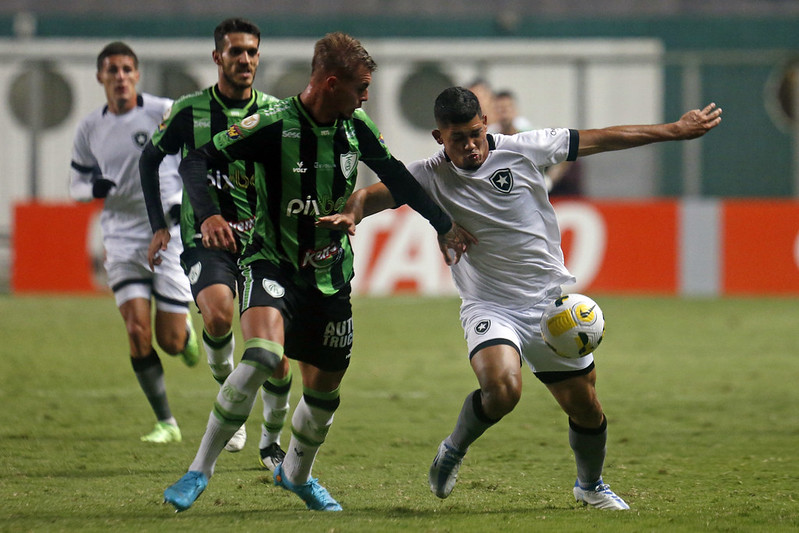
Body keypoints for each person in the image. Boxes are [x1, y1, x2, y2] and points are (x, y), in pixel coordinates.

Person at [319, 86, 722, 510]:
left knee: (586, 408)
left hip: (548, 307)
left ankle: (590, 485)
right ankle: (453, 449)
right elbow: (368, 195)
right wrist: (352, 212)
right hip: (490, 306)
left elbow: (602, 137)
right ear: (440, 138)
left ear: (486, 124)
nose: (470, 145)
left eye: (475, 133)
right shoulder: (428, 174)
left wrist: (673, 130)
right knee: (503, 389)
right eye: (457, 138)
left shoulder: (525, 148)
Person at [162, 32, 472, 513]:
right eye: (361, 87)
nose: (366, 96)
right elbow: (198, 160)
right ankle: (199, 469)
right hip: (273, 264)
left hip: (329, 277)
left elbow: (396, 177)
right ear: (331, 84)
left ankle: (297, 474)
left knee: (324, 397)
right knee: (263, 356)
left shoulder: (357, 126)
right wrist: (209, 214)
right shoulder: (271, 124)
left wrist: (443, 225)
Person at [139, 18, 292, 464]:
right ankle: (233, 405)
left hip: (262, 244)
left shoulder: (274, 112)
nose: (244, 59)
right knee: (220, 317)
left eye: (251, 52)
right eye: (235, 52)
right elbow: (150, 161)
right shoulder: (189, 111)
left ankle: (272, 440)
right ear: (217, 57)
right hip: (205, 240)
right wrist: (158, 226)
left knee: (277, 357)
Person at [69, 42, 200, 444]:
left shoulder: (163, 111)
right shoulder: (90, 128)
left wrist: (182, 202)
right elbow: (75, 184)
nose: (120, 76)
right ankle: (167, 423)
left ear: (137, 74)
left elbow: (193, 156)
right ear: (100, 77)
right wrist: (94, 187)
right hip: (122, 238)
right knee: (136, 330)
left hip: (169, 233)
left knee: (170, 340)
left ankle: (185, 335)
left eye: (127, 69)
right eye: (112, 70)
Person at [489, 89, 581, 195]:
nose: (504, 113)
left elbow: (564, 147)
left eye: (507, 108)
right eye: (500, 109)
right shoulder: (490, 136)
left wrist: (549, 180)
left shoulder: (529, 133)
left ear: (515, 110)